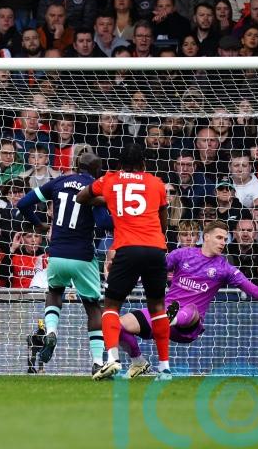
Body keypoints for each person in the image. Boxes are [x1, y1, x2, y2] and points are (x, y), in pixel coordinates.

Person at [117, 220, 258, 378]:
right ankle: (138, 362)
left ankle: (171, 318)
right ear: (206, 237)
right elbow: (155, 271)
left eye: (225, 239)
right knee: (119, 325)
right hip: (163, 311)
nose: (222, 242)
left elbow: (252, 289)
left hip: (188, 324)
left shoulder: (225, 268)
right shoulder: (182, 254)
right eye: (219, 238)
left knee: (190, 309)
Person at [76, 143, 171, 381]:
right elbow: (164, 222)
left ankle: (113, 359)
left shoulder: (110, 180)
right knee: (158, 307)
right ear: (143, 164)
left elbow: (81, 197)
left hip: (127, 249)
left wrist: (103, 200)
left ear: (119, 163)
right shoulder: (156, 183)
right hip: (155, 248)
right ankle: (164, 368)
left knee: (110, 306)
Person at [17, 152, 113, 376]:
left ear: (76, 165)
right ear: (97, 171)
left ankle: (51, 330)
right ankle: (98, 362)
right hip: (83, 255)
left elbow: (23, 203)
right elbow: (103, 222)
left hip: (57, 253)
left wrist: (39, 226)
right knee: (92, 308)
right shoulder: (94, 187)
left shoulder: (58, 182)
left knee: (55, 292)